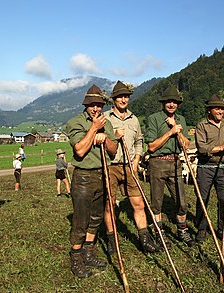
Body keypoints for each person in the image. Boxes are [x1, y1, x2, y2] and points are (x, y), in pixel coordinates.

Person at [103, 81, 161, 255]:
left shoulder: (134, 119)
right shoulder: (105, 118)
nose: (123, 99)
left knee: (138, 203)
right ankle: (112, 239)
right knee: (109, 204)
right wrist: (114, 135)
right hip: (111, 166)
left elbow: (139, 141)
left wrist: (136, 159)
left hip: (129, 166)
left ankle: (144, 240)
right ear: (114, 99)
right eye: (120, 96)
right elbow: (99, 139)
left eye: (126, 96)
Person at [66, 84, 118, 278]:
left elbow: (113, 151)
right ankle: (76, 257)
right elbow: (79, 149)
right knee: (81, 219)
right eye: (92, 105)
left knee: (96, 218)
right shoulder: (75, 122)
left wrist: (106, 139)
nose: (96, 108)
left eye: (98, 105)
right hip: (84, 177)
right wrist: (94, 130)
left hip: (102, 174)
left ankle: (88, 251)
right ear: (86, 105)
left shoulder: (107, 123)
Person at [144, 84, 196, 248]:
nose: (171, 104)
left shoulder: (181, 120)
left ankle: (182, 231)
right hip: (157, 162)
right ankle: (160, 234)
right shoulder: (154, 118)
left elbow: (186, 144)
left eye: (174, 102)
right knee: (156, 202)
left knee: (181, 201)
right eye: (168, 101)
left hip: (175, 162)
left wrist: (178, 130)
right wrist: (170, 132)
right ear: (163, 103)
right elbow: (151, 146)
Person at [194, 95, 224, 243]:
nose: (220, 111)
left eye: (222, 109)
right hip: (205, 167)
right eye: (217, 108)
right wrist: (221, 147)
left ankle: (222, 229)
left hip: (222, 168)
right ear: (209, 110)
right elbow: (202, 148)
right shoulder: (202, 126)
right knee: (203, 198)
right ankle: (201, 229)